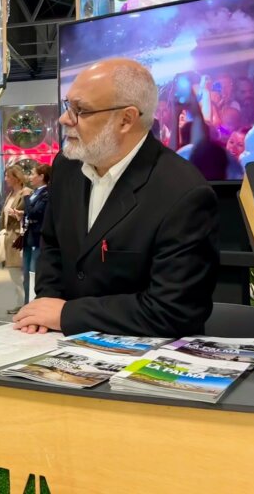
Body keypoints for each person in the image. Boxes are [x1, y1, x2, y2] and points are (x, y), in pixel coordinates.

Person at [14, 58, 218, 337]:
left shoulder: (182, 192)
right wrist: (45, 304)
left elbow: (174, 310)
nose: (64, 119)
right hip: (60, 347)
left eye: (80, 110)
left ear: (126, 119)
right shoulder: (67, 165)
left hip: (141, 357)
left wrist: (66, 314)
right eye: (67, 106)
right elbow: (53, 243)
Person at [2, 165, 32, 314]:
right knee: (13, 271)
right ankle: (21, 302)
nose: (6, 179)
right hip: (8, 237)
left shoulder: (25, 193)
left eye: (8, 176)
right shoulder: (10, 195)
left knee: (18, 271)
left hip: (18, 237)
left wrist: (18, 213)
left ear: (16, 177)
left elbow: (30, 212)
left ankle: (25, 303)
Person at [20, 164, 51, 306]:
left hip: (38, 240)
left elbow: (34, 212)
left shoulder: (47, 193)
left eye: (32, 174)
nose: (30, 177)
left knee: (34, 273)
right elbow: (29, 212)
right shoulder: (35, 193)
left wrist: (26, 198)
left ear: (41, 177)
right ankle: (27, 303)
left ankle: (34, 304)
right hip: (29, 238)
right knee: (26, 274)